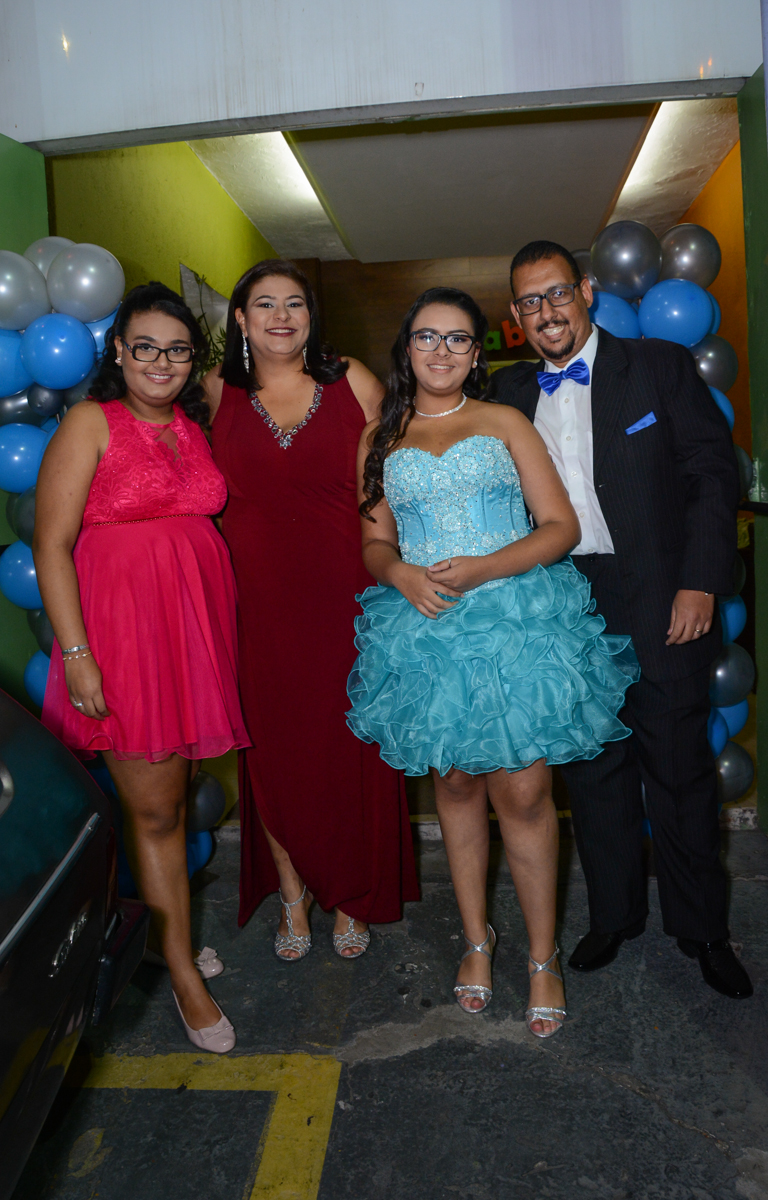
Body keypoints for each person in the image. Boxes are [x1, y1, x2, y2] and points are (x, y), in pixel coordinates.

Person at [346, 287, 639, 1037]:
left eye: (456, 339)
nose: (439, 351)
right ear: (405, 348)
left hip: (515, 622)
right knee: (453, 784)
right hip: (426, 628)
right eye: (425, 337)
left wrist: (482, 568)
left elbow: (558, 526)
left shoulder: (505, 420)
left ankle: (542, 958)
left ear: (477, 354)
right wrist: (398, 573)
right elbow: (374, 541)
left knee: (525, 794)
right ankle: (477, 941)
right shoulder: (378, 436)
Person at [487, 239, 753, 999]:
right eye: (530, 302)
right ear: (515, 318)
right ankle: (614, 917)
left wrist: (700, 583)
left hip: (661, 594)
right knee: (594, 773)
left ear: (587, 291)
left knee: (677, 768)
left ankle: (702, 930)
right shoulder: (506, 394)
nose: (546, 311)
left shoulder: (659, 367)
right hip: (565, 604)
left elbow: (709, 476)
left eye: (556, 293)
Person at [35, 282, 249, 1053]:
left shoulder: (193, 426)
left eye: (178, 348)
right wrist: (81, 655)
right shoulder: (92, 423)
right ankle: (181, 971)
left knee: (175, 791)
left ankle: (166, 936)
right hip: (122, 640)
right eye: (146, 346)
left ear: (194, 361)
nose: (161, 361)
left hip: (190, 635)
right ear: (118, 352)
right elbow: (51, 544)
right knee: (156, 810)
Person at [204, 259, 419, 960]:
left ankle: (352, 893)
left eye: (293, 303)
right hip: (255, 600)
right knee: (272, 750)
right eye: (263, 304)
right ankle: (293, 892)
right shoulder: (212, 392)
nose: (280, 316)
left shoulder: (349, 378)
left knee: (348, 743)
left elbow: (396, 475)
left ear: (310, 317)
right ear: (239, 319)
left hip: (345, 590)